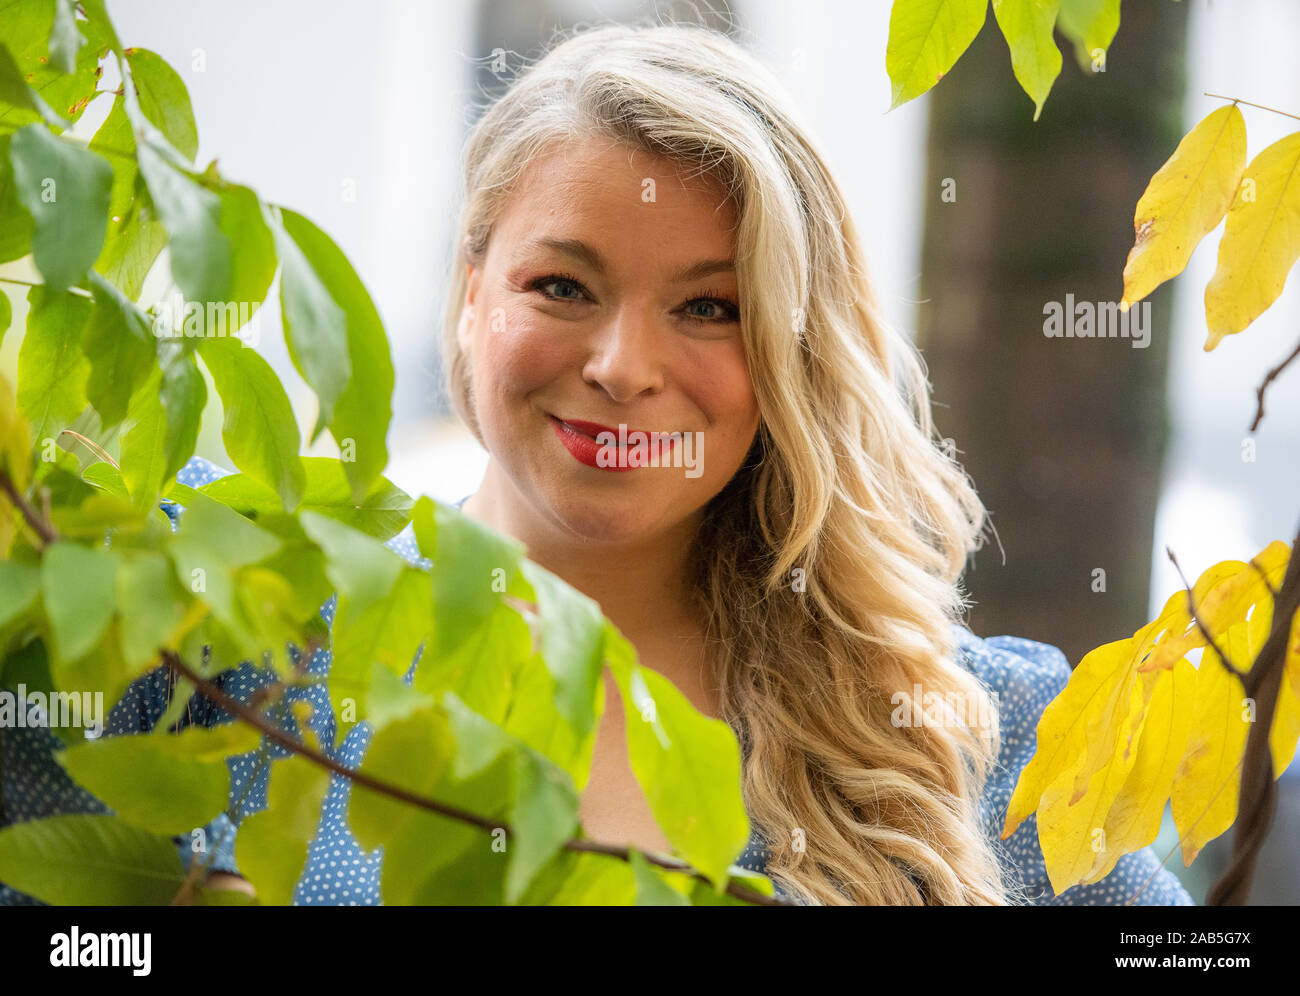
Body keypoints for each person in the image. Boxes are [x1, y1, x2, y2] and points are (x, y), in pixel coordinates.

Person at [0, 21, 1194, 906]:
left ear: (794, 352)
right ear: (472, 294)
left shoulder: (971, 738)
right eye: (561, 285)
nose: (624, 366)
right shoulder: (209, 616)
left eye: (711, 309)